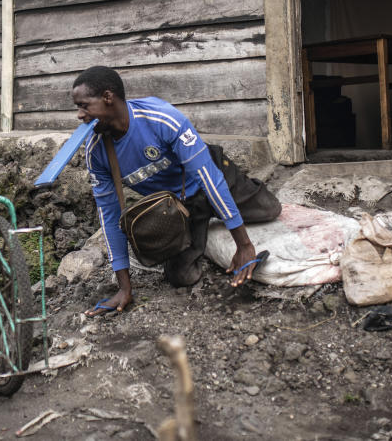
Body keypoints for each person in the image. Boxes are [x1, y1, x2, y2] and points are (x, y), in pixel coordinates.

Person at [72, 66, 281, 317]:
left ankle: (235, 195)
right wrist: (124, 288)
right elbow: (109, 215)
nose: (79, 115)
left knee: (270, 209)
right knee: (181, 276)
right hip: (179, 205)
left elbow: (208, 178)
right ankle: (209, 219)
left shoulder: (160, 118)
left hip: (210, 174)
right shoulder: (96, 151)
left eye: (84, 106)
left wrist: (244, 245)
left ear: (108, 98)